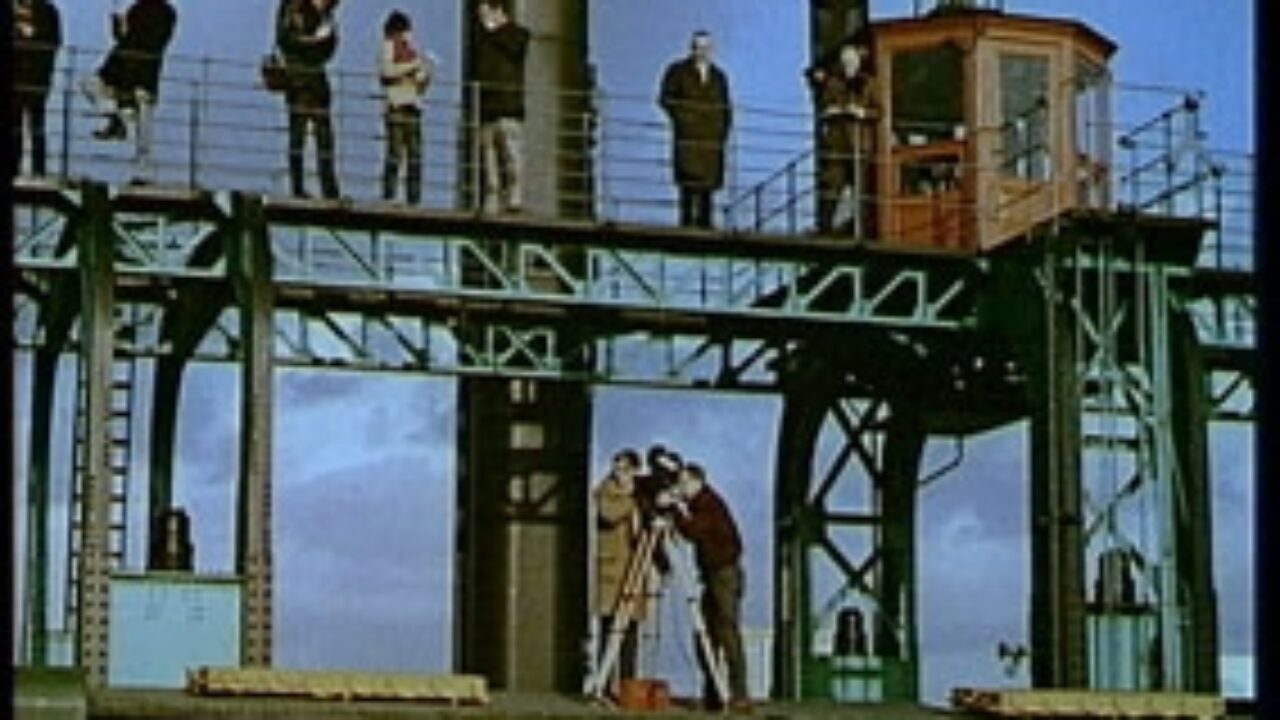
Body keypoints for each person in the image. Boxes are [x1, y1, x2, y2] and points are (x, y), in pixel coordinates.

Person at [660, 462, 750, 712]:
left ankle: (738, 693)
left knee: (726, 631)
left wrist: (674, 507)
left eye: (683, 483)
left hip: (724, 574)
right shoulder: (699, 503)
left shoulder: (709, 504)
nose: (680, 488)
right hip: (712, 574)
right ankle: (714, 693)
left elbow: (693, 531)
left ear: (697, 482)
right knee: (707, 635)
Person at [82, 0, 176, 184]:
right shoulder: (145, 10)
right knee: (92, 87)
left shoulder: (160, 12)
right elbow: (132, 40)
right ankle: (117, 120)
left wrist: (123, 32)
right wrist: (121, 31)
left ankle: (142, 173)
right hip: (130, 75)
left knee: (142, 131)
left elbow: (143, 41)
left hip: (137, 76)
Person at [659, 30, 733, 230]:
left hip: (711, 138)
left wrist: (722, 130)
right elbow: (666, 98)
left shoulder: (719, 77)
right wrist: (683, 118)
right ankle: (686, 222)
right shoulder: (677, 71)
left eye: (705, 48)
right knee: (688, 181)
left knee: (708, 184)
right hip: (689, 136)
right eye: (698, 47)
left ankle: (706, 222)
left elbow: (726, 107)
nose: (702, 52)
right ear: (692, 48)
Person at [807, 40, 879, 237]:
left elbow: (879, 110)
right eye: (845, 62)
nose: (849, 66)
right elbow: (823, 108)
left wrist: (862, 112)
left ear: (858, 62)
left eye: (851, 62)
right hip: (837, 145)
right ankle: (824, 229)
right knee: (832, 189)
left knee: (862, 191)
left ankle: (864, 230)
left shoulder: (869, 83)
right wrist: (833, 111)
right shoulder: (833, 84)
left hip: (859, 144)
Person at [592, 448, 646, 693]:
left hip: (633, 570)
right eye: (617, 468)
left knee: (630, 631)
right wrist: (632, 497)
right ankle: (603, 684)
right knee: (609, 628)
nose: (620, 474)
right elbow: (609, 514)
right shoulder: (605, 492)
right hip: (612, 571)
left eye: (625, 469)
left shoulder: (640, 494)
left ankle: (627, 685)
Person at [277, 0, 342, 199]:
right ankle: (298, 187)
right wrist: (313, 41)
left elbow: (330, 46)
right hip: (299, 82)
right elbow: (287, 40)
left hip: (317, 83)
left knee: (325, 139)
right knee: (298, 136)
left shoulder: (324, 15)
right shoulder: (292, 7)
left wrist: (319, 39)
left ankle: (329, 189)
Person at [473, 0, 530, 215]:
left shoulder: (517, 35)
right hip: (488, 109)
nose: (483, 20)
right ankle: (492, 198)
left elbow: (516, 48)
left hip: (509, 107)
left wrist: (495, 31)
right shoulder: (484, 40)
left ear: (498, 11)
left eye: (485, 14)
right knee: (489, 160)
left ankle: (515, 195)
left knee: (512, 156)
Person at [379, 10, 433, 204]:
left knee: (415, 155)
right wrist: (414, 66)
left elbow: (420, 86)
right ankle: (389, 195)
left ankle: (414, 198)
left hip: (413, 106)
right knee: (394, 153)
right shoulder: (388, 46)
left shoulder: (411, 51)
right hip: (396, 105)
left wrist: (426, 74)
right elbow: (387, 71)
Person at [12, 0, 62, 177]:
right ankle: (15, 168)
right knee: (15, 127)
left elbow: (54, 42)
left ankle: (38, 170)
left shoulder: (48, 11)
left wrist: (32, 35)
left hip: (36, 78)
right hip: (16, 77)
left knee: (37, 126)